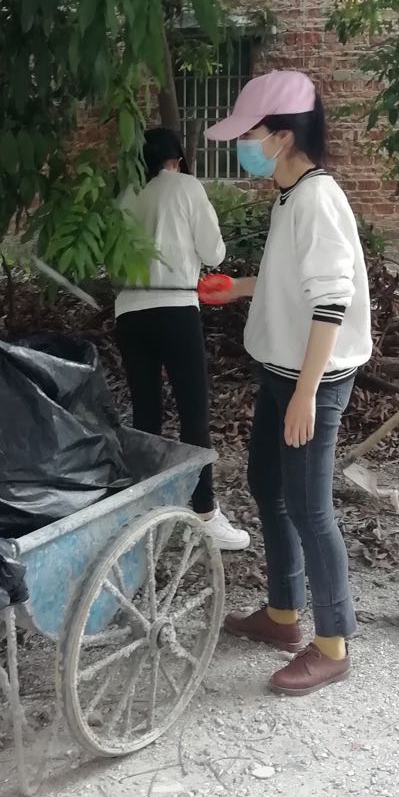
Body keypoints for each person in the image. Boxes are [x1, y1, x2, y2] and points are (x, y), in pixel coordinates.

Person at [206, 71, 372, 695]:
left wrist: (306, 392)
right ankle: (282, 612)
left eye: (248, 134)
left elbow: (331, 302)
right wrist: (239, 288)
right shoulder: (290, 194)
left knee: (308, 506)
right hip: (280, 370)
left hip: (312, 379)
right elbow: (296, 282)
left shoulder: (317, 198)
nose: (242, 146)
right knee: (267, 485)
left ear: (281, 137)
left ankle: (332, 644)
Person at [115, 128, 249, 551]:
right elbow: (214, 253)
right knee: (193, 413)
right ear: (176, 159)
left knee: (146, 413)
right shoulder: (187, 187)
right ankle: (204, 510)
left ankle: (144, 512)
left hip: (129, 313)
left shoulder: (126, 196)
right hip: (176, 309)